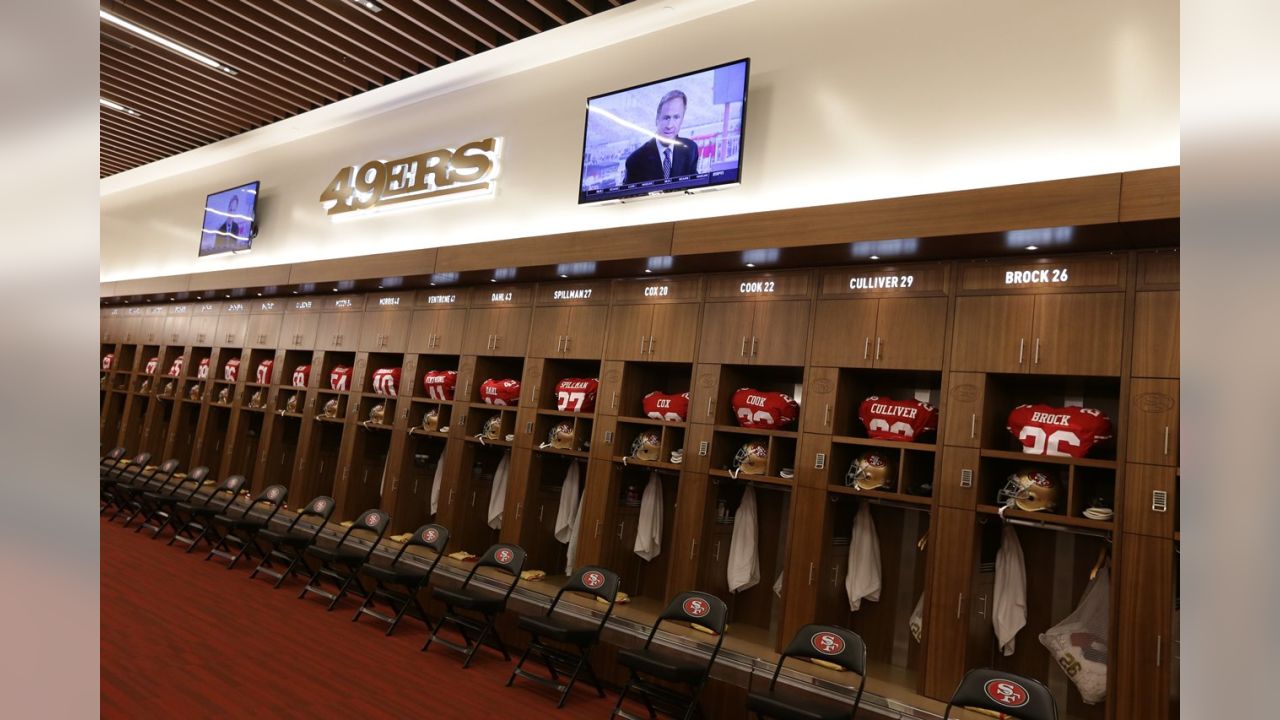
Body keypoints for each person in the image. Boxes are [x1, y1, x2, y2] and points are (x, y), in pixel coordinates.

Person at [623, 90, 699, 185]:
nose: (670, 125)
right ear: (657, 120)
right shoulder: (635, 161)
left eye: (676, 117)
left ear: (682, 120)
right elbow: (629, 197)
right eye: (666, 118)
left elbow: (695, 186)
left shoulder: (690, 149)